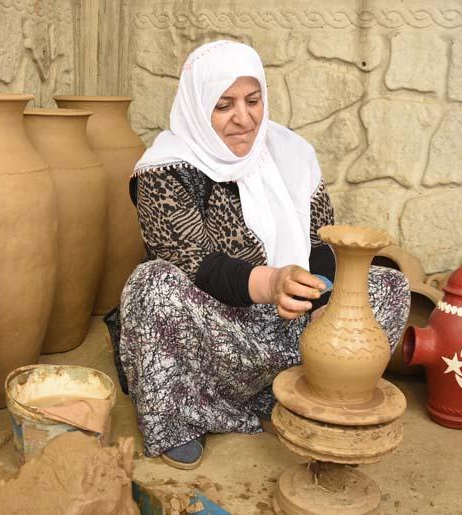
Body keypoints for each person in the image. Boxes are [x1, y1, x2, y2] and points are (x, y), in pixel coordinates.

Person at [104, 41, 410, 470]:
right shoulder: (165, 169)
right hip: (215, 326)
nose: (244, 118)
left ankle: (293, 397)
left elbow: (319, 241)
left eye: (253, 100)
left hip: (289, 320)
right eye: (223, 105)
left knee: (388, 286)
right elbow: (198, 264)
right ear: (197, 107)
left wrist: (324, 303)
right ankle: (180, 416)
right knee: (151, 285)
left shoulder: (290, 153)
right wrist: (273, 283)